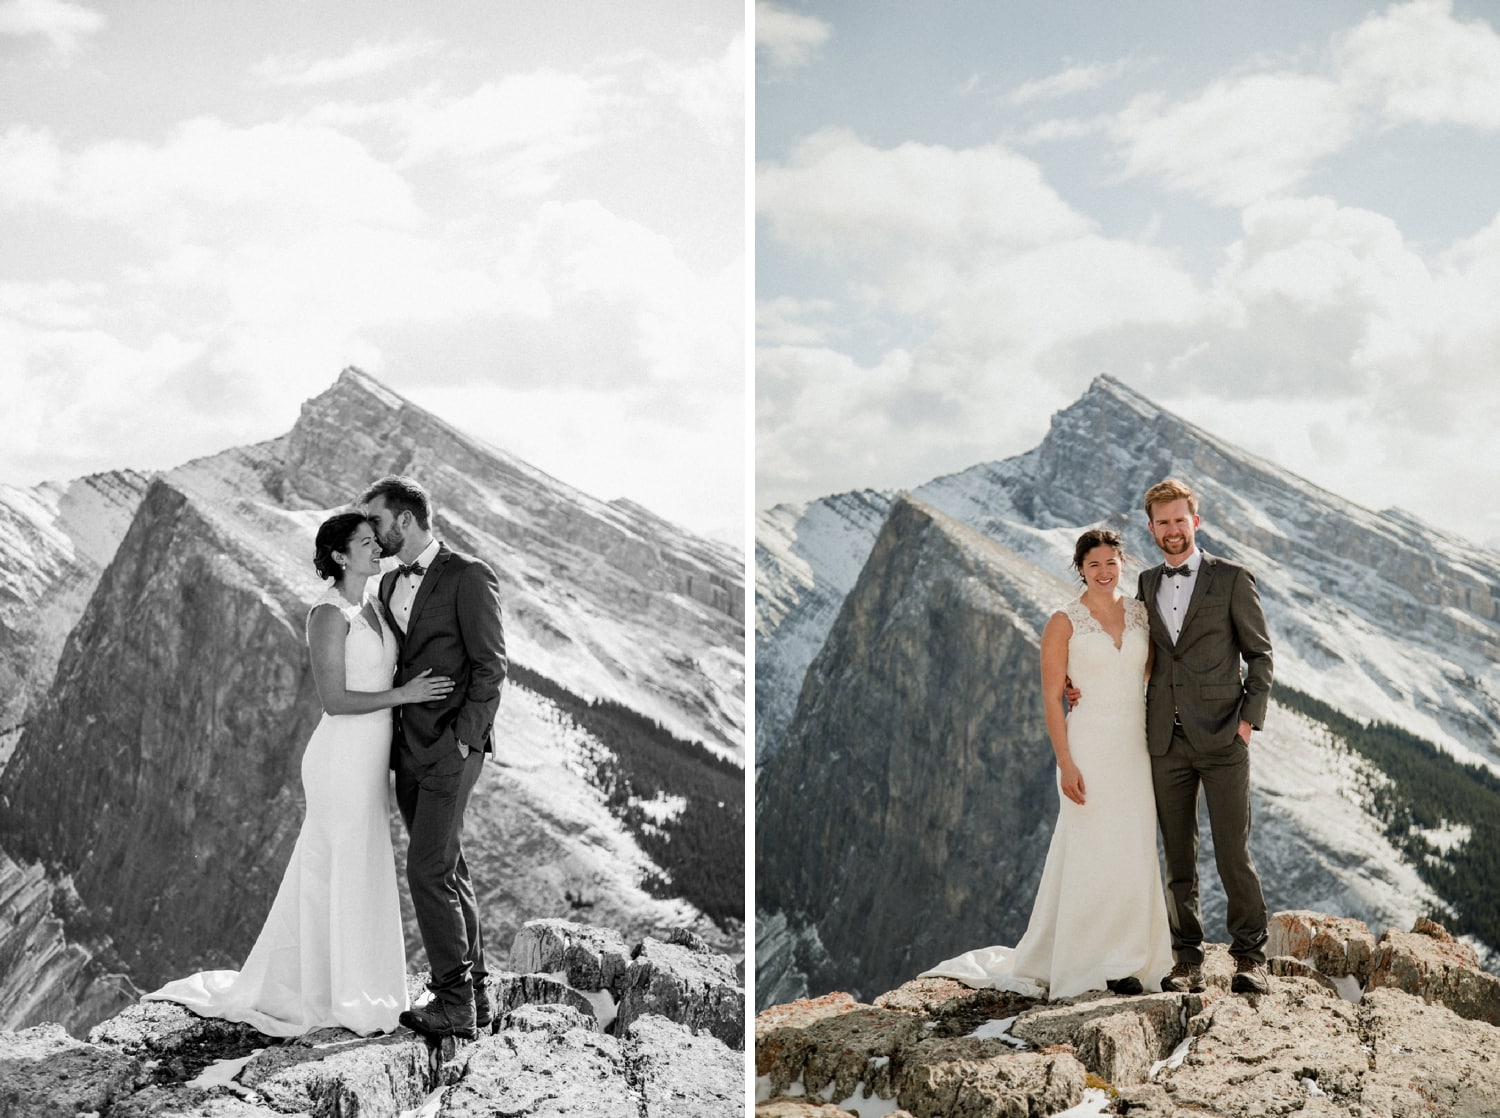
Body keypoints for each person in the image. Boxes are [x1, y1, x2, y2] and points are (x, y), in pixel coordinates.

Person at [144, 513, 454, 1036]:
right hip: (339, 758)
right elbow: (333, 700)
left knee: (359, 862)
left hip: (370, 756)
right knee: (342, 861)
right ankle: (334, 993)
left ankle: (354, 983)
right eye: (364, 543)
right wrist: (405, 696)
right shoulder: (327, 615)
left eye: (375, 541)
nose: (376, 548)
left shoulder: (374, 603)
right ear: (339, 556)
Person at [920, 528, 1173, 999]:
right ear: (1080, 569)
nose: (1103, 572)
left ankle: (1134, 956)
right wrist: (1065, 762)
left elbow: (1150, 673)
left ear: (1124, 562)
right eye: (1093, 565)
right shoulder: (1064, 621)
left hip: (1134, 748)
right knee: (1090, 845)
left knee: (1135, 845)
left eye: (1111, 563)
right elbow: (1053, 697)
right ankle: (1086, 958)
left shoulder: (1140, 613)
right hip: (1089, 747)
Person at [361, 475, 508, 1040]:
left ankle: (452, 1005)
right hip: (406, 752)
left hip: (451, 748)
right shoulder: (390, 582)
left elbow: (491, 666)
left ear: (404, 519)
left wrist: (463, 741)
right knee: (449, 867)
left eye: (375, 521)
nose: (370, 534)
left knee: (425, 871)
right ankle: (477, 990)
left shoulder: (468, 575)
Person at [1137, 478, 1273, 995]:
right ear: (1152, 529)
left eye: (1179, 520)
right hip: (1164, 740)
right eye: (1162, 523)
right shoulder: (1146, 583)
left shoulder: (1233, 578)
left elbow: (1260, 655)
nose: (1172, 530)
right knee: (1177, 856)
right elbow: (1142, 653)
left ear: (1196, 521)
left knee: (1232, 852)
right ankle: (1187, 958)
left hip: (1222, 739)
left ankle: (1249, 957)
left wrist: (1246, 722)